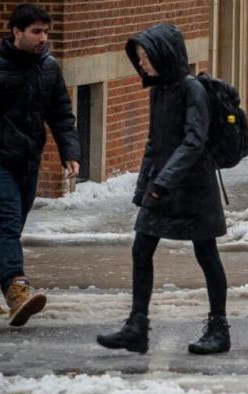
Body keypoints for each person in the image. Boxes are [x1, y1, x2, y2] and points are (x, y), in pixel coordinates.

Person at [97, 24, 230, 355]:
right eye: (140, 58)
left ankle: (219, 328)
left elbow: (194, 141)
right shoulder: (159, 90)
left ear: (164, 55)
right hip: (162, 187)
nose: (142, 64)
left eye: (146, 57)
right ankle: (136, 327)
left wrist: (162, 182)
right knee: (141, 249)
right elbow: (155, 143)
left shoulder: (192, 90)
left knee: (206, 254)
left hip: (196, 188)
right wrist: (145, 186)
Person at [0, 3, 81, 327]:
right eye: (36, 31)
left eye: (45, 31)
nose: (43, 37)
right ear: (16, 32)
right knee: (6, 222)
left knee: (10, 229)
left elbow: (60, 114)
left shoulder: (48, 68)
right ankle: (17, 289)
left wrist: (70, 153)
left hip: (28, 161)